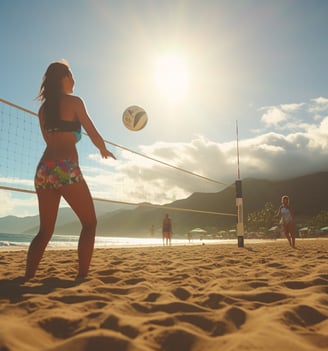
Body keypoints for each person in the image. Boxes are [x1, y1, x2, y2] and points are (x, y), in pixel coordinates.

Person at [25, 61, 116, 280]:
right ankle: (82, 276)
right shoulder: (75, 102)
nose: (74, 80)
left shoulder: (43, 110)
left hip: (44, 169)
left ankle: (27, 277)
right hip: (65, 168)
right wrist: (103, 149)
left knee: (45, 231)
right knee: (89, 223)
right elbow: (92, 133)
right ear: (64, 78)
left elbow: (49, 140)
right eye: (72, 76)